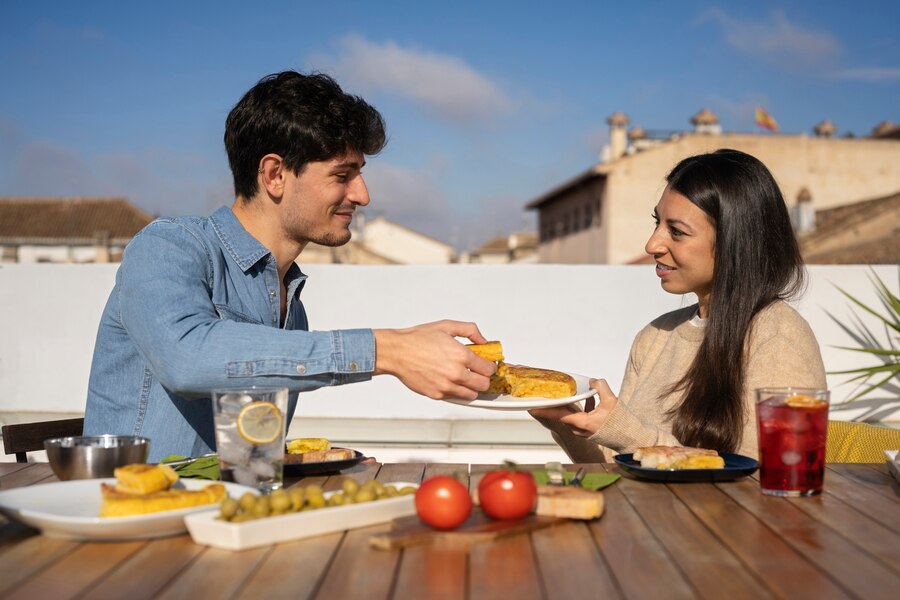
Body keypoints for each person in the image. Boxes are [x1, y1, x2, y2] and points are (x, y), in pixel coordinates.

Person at [84, 71, 495, 461]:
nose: (363, 194)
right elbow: (186, 359)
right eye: (343, 174)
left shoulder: (291, 304)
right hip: (138, 523)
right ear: (275, 174)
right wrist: (385, 349)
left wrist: (317, 464)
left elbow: (248, 453)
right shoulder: (169, 246)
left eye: (360, 174)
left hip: (233, 520)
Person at [530, 149, 826, 461]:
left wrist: (625, 431)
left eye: (677, 232)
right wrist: (565, 421)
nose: (652, 245)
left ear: (734, 242)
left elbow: (764, 479)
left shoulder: (779, 337)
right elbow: (622, 470)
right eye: (658, 223)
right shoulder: (655, 337)